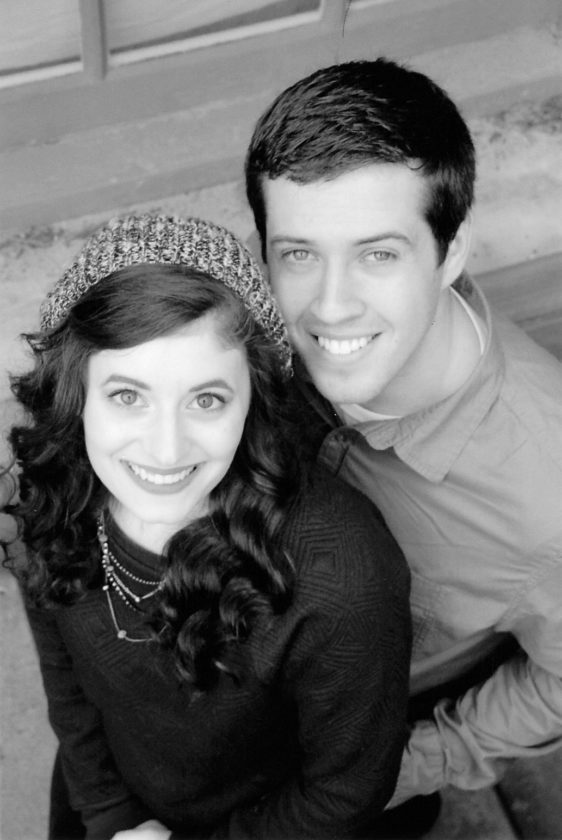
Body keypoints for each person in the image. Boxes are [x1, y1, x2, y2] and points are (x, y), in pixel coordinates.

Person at [5, 214, 411, 840]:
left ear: (254, 399)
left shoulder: (344, 575)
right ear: (75, 390)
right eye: (127, 396)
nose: (166, 449)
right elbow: (70, 686)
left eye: (207, 399)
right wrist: (111, 815)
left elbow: (344, 792)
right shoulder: (54, 491)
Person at [245, 57, 562, 831]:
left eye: (378, 254)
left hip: (356, 739)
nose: (330, 306)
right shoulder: (251, 330)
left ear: (451, 252)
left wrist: (400, 768)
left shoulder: (547, 494)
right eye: (299, 253)